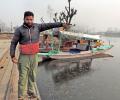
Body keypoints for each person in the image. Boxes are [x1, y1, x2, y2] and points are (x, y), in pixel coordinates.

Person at [10, 11, 69, 100]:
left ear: (33, 19)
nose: (29, 21)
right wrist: (12, 55)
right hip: (24, 57)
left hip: (34, 56)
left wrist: (61, 24)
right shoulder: (19, 30)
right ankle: (21, 96)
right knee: (22, 77)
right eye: (27, 19)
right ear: (24, 19)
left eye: (31, 19)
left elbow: (50, 25)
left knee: (32, 76)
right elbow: (13, 43)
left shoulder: (37, 27)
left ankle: (31, 93)